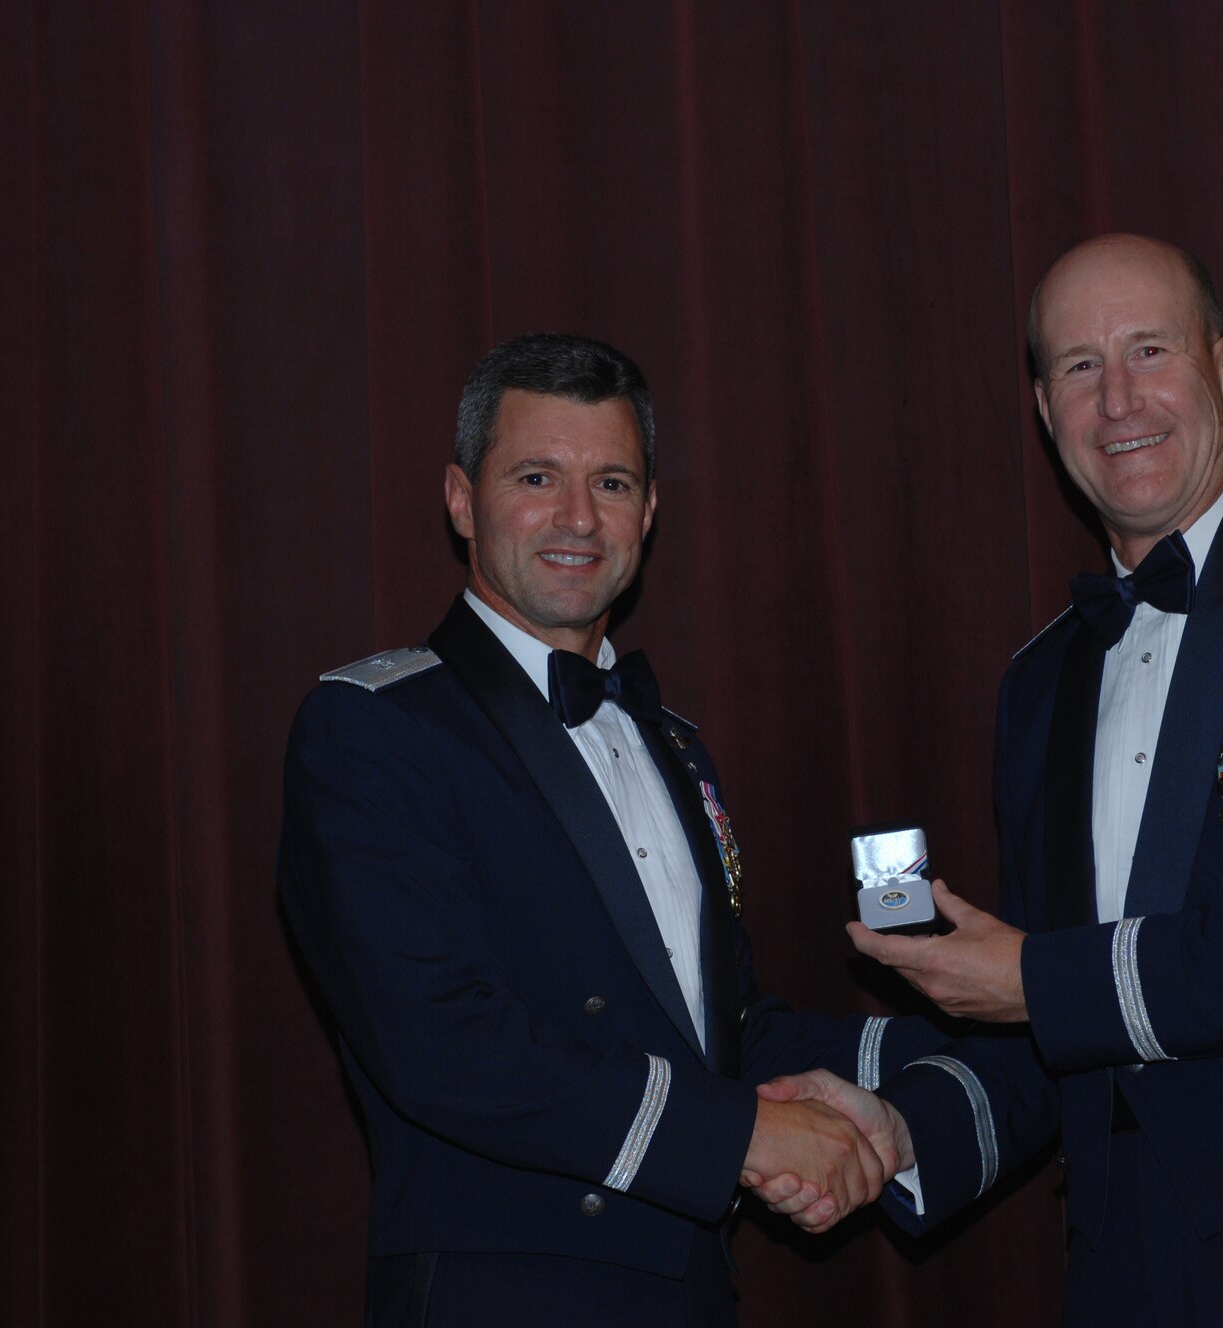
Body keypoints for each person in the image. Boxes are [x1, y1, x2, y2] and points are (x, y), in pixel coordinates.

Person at [762, 235, 1223, 1325]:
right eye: (1076, 366)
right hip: (1124, 1263)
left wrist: (1038, 983)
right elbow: (1052, 1027)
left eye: (1148, 350)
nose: (1116, 399)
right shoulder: (1038, 680)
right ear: (1040, 405)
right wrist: (892, 1130)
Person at [278, 332, 931, 1327]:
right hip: (500, 1295)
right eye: (536, 475)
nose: (577, 517)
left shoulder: (673, 745)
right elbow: (440, 1040)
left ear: (650, 512)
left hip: (686, 1290)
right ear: (460, 499)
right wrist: (742, 1138)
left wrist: (937, 1063)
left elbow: (723, 1026)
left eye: (612, 481)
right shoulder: (374, 725)